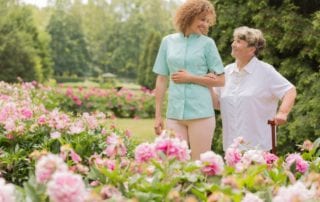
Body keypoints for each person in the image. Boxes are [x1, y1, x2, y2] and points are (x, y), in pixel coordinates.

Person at [153, 0, 225, 160]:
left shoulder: (208, 44)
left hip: (201, 114)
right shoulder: (168, 42)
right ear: (188, 16)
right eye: (202, 19)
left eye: (207, 21)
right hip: (174, 114)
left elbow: (221, 80)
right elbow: (161, 78)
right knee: (174, 165)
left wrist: (191, 77)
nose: (205, 24)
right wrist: (158, 115)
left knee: (199, 166)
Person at [211, 26, 297, 151]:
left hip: (259, 148)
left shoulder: (265, 71)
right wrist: (208, 85)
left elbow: (289, 90)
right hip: (231, 149)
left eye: (238, 42)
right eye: (234, 40)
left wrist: (283, 113)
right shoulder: (226, 72)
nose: (233, 44)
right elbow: (218, 104)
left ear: (251, 49)